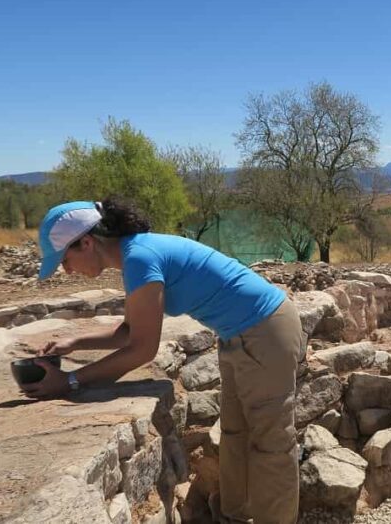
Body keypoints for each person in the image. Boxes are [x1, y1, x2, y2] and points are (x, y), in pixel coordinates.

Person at [20, 198, 304, 524]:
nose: (67, 270)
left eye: (65, 260)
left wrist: (70, 381)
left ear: (86, 242)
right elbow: (131, 331)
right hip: (239, 335)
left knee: (271, 445)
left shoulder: (140, 257)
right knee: (236, 435)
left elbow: (142, 349)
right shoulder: (136, 255)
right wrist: (76, 342)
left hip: (266, 330)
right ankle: (233, 517)